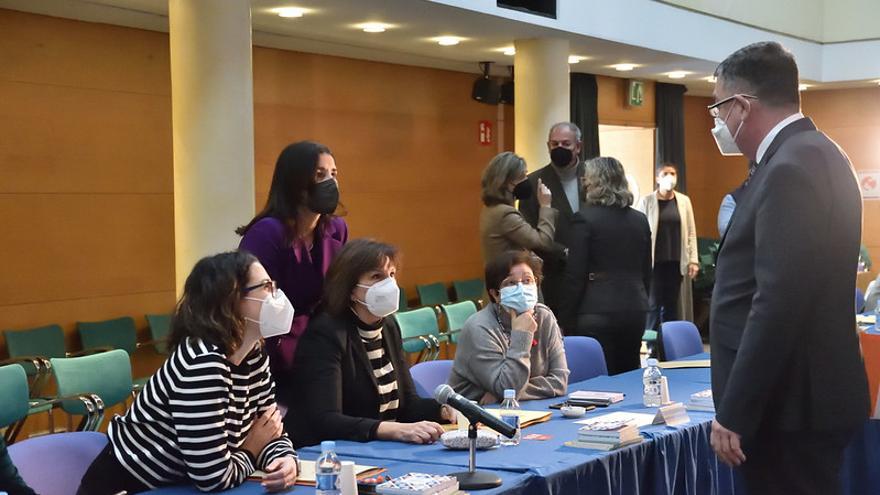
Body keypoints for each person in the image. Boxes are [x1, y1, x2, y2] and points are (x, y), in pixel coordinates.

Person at [708, 41, 869, 495]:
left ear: (741, 105)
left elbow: (777, 301)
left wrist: (737, 410)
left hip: (789, 406)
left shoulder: (789, 168)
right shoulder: (820, 153)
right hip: (803, 397)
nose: (717, 123)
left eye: (718, 109)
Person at [78, 251, 298, 494]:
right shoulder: (202, 364)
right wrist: (251, 449)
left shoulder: (254, 354)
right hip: (130, 487)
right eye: (266, 286)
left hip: (180, 486)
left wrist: (285, 460)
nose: (276, 294)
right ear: (231, 300)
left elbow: (270, 429)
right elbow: (213, 477)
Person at [288, 239, 454, 448]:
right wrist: (393, 430)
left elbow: (408, 405)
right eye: (377, 277)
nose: (389, 285)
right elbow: (326, 420)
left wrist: (442, 410)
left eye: (392, 275)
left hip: (381, 450)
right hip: (330, 455)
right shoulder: (325, 333)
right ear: (350, 288)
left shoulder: (388, 326)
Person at [237, 141, 348, 399]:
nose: (330, 182)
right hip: (271, 347)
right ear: (295, 182)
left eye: (334, 174)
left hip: (318, 343)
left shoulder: (336, 229)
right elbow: (250, 303)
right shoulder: (268, 232)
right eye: (320, 175)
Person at [558, 157, 652, 374]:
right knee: (629, 372)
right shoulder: (640, 220)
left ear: (597, 183)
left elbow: (575, 274)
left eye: (588, 178)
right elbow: (647, 270)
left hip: (595, 311)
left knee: (597, 379)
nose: (584, 182)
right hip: (634, 308)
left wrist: (563, 317)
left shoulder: (584, 219)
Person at [448, 250, 569, 403]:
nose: (521, 289)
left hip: (526, 410)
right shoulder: (479, 327)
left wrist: (503, 395)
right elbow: (507, 388)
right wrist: (521, 336)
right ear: (495, 294)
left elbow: (560, 381)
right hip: (471, 418)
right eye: (511, 283)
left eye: (527, 280)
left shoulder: (544, 316)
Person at [518, 122, 585, 314]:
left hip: (590, 278)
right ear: (548, 146)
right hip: (555, 276)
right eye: (555, 144)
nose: (559, 149)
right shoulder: (532, 182)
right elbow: (529, 231)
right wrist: (563, 253)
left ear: (578, 146)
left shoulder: (594, 177)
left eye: (566, 144)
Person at [636, 163, 698, 331]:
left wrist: (693, 260)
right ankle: (651, 346)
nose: (670, 177)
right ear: (657, 178)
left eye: (673, 173)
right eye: (665, 174)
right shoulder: (647, 201)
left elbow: (691, 232)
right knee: (653, 304)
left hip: (676, 261)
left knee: (672, 306)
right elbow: (638, 231)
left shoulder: (684, 201)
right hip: (654, 263)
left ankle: (668, 345)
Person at [479, 151, 557, 264]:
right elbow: (543, 242)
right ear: (505, 182)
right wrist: (545, 206)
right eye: (521, 176)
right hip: (508, 278)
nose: (526, 180)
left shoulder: (491, 208)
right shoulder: (505, 214)